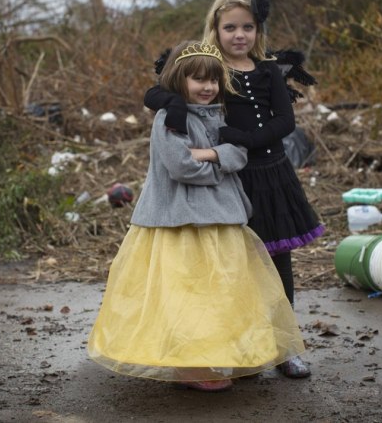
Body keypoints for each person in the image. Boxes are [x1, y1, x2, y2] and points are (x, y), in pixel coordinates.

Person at [88, 40, 306, 392]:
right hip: (181, 218)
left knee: (220, 292)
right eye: (198, 80)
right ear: (179, 79)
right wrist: (218, 162)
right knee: (186, 292)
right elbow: (180, 166)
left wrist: (210, 154)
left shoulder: (217, 114)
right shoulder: (170, 118)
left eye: (213, 81)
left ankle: (219, 353)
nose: (207, 88)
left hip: (221, 217)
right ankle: (190, 365)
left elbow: (240, 153)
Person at [144, 0, 325, 378]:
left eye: (248, 27)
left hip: (272, 175)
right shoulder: (207, 68)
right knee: (234, 266)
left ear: (257, 30)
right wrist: (171, 104)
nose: (239, 35)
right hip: (230, 180)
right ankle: (241, 346)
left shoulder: (267, 70)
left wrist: (243, 139)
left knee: (278, 263)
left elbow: (285, 122)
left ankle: (284, 348)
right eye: (230, 27)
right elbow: (157, 92)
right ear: (216, 27)